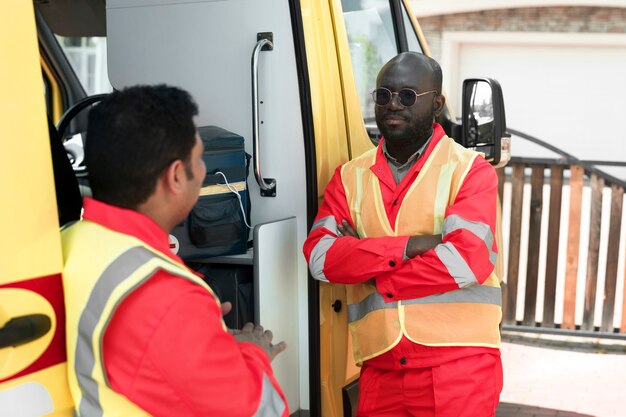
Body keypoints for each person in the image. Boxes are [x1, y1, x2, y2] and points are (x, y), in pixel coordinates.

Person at [61, 85, 288, 416]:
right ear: (177, 176)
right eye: (199, 160)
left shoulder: (69, 240)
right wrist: (253, 354)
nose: (205, 171)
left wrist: (200, 335)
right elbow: (258, 410)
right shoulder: (166, 298)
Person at [303, 52, 502, 416]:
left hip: (458, 367)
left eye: (407, 96)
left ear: (436, 104)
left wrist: (367, 263)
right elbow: (319, 259)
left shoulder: (470, 171)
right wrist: (413, 245)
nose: (393, 104)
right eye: (384, 95)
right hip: (380, 369)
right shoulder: (348, 177)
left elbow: (464, 261)